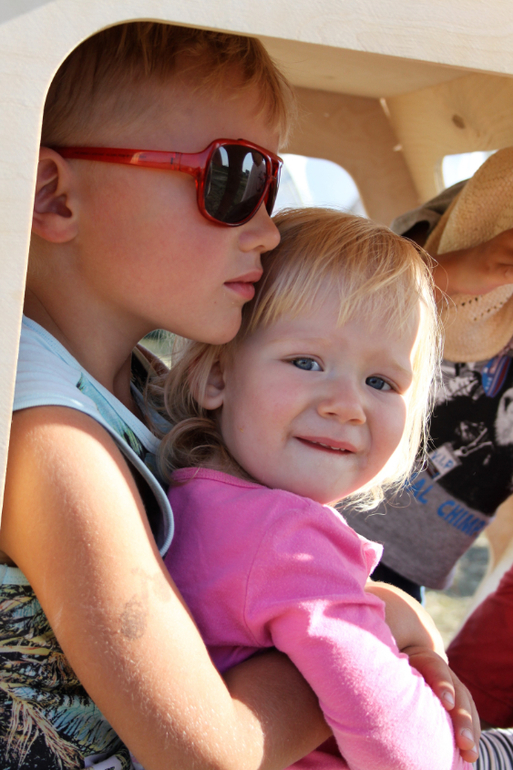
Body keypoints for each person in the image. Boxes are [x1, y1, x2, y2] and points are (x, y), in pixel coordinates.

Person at [0, 21, 477, 770]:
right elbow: (206, 754)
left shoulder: (138, 390)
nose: (265, 231)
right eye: (233, 179)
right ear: (52, 196)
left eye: (270, 189)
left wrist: (372, 609)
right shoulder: (52, 439)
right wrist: (349, 644)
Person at [156, 208, 475, 769]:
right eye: (306, 362)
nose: (347, 406)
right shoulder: (289, 541)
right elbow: (413, 758)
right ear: (217, 376)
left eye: (381, 382)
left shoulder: (199, 496)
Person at [345, 147, 513, 599]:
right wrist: (457, 270)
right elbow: (366, 288)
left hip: (420, 550)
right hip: (338, 495)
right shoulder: (485, 201)